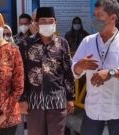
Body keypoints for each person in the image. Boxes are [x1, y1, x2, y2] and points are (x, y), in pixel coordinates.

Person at [72, 0, 119, 135]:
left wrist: (111, 72)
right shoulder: (88, 41)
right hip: (93, 108)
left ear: (113, 17)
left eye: (100, 15)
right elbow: (74, 70)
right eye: (94, 15)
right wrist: (79, 66)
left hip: (118, 109)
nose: (95, 19)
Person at [19, 7, 75, 135]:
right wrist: (21, 99)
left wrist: (70, 97)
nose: (47, 24)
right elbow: (20, 73)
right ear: (37, 23)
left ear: (56, 22)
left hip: (57, 101)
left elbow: (68, 72)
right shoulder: (26, 44)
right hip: (34, 102)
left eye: (50, 21)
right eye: (43, 21)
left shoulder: (62, 44)